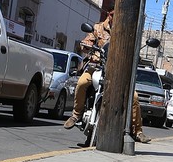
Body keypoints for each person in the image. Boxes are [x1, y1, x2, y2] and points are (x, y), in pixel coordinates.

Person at [63, 10, 151, 143]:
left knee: (134, 97)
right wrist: (86, 45)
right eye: (112, 14)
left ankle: (137, 131)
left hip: (118, 71)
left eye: (117, 14)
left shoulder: (127, 31)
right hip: (96, 66)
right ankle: (76, 114)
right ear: (108, 15)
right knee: (81, 83)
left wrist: (135, 56)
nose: (114, 17)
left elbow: (132, 49)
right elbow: (86, 42)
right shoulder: (98, 28)